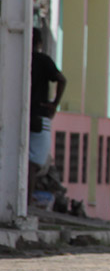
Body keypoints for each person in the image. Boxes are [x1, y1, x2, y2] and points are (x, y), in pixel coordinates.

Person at [29, 27, 67, 174]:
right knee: (35, 163)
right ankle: (29, 196)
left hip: (17, 115)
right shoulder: (43, 60)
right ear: (39, 43)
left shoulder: (15, 56)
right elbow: (62, 79)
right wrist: (54, 104)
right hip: (39, 114)